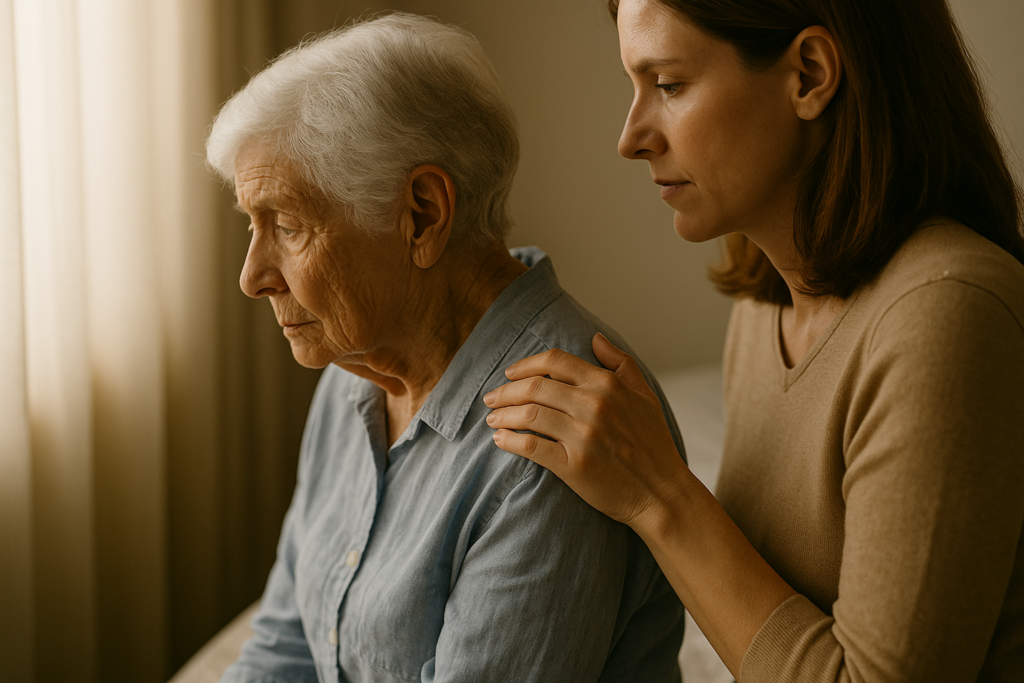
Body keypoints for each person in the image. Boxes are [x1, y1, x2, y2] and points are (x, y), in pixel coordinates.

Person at [484, 0, 1024, 680]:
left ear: (809, 75)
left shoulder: (947, 310)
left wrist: (660, 493)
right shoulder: (763, 311)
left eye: (669, 85)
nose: (631, 136)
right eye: (634, 85)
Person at [205, 12, 687, 683]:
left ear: (423, 214)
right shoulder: (352, 376)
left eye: (286, 224)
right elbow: (286, 646)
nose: (252, 276)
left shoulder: (554, 437)